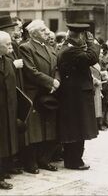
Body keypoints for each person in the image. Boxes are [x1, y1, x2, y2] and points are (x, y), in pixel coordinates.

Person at [57, 23, 100, 170]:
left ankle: (73, 159)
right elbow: (92, 57)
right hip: (75, 96)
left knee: (75, 128)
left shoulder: (69, 48)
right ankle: (74, 160)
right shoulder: (70, 50)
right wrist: (92, 42)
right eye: (84, 36)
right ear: (81, 36)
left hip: (74, 95)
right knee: (77, 128)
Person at [19, 19, 60, 174]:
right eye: (43, 30)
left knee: (47, 128)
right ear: (34, 33)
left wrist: (56, 81)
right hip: (35, 93)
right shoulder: (26, 47)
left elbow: (57, 67)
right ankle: (30, 162)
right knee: (33, 131)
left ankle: (44, 159)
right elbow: (30, 71)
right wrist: (50, 82)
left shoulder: (49, 47)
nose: (47, 32)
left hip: (49, 93)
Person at [0, 31, 19, 190]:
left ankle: (3, 171)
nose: (11, 47)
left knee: (5, 142)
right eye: (7, 45)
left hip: (8, 109)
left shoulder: (7, 60)